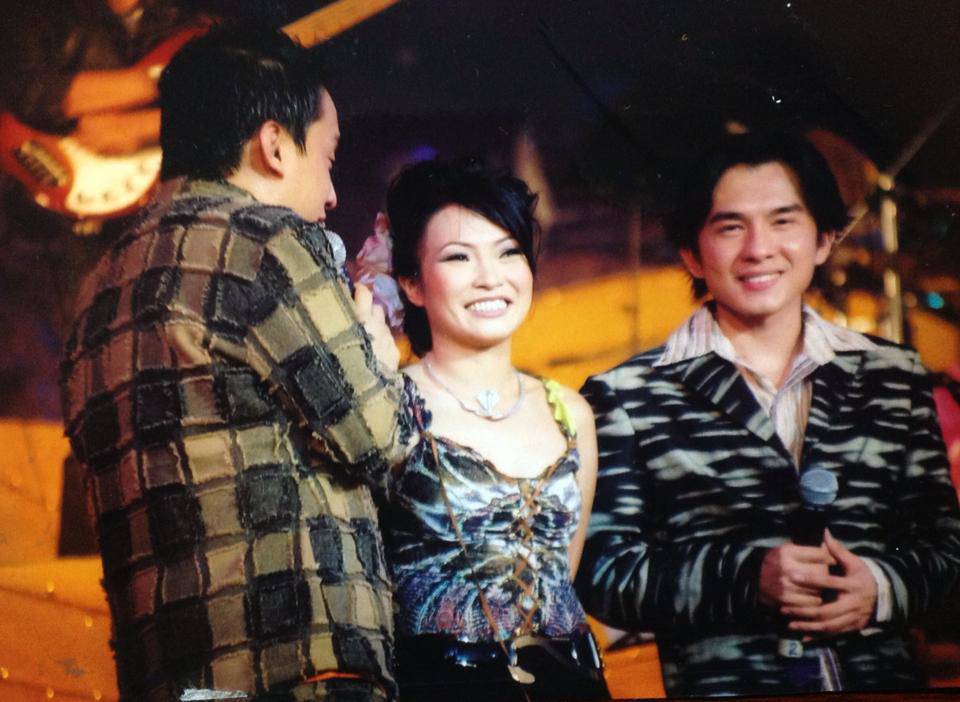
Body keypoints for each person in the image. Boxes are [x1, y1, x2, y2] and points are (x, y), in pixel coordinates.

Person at [59, 27, 411, 701]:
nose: (332, 194)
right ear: (274, 145)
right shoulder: (268, 243)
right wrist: (377, 350)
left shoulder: (96, 289)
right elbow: (380, 440)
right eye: (327, 158)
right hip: (304, 671)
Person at [576, 130, 960, 697]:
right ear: (691, 253)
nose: (759, 248)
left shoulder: (892, 375)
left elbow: (946, 551)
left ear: (824, 238)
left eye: (783, 221)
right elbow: (606, 576)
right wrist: (749, 576)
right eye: (731, 227)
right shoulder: (628, 395)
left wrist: (881, 588)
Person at [371, 159, 609, 701]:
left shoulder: (570, 413)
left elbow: (562, 577)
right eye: (459, 257)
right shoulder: (387, 406)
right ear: (412, 282)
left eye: (508, 252)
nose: (490, 277)